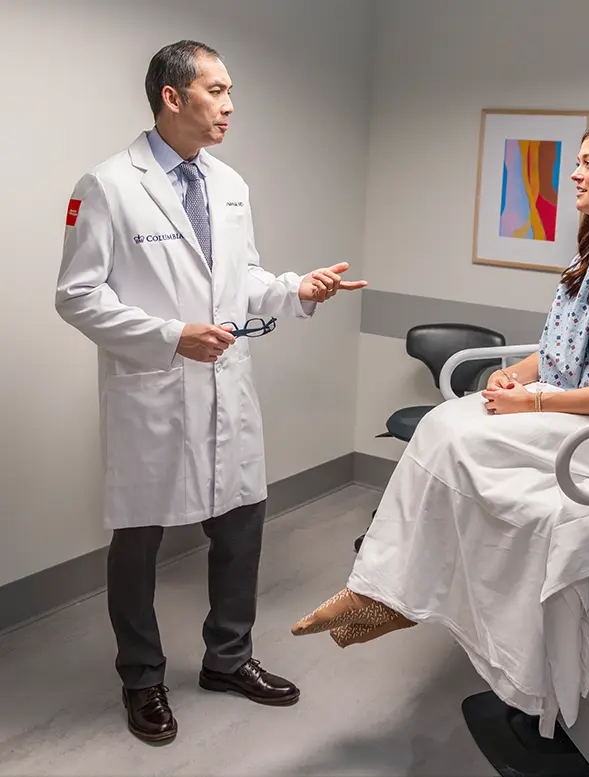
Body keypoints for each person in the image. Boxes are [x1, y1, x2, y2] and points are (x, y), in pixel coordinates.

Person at [290, 121, 589, 728]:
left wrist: (533, 406)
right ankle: (387, 591)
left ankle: (397, 592)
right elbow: (559, 348)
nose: (575, 173)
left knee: (467, 438)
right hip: (576, 405)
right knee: (444, 425)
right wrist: (516, 373)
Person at [54, 40, 366, 744]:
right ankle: (142, 677)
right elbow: (76, 297)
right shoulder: (106, 185)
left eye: (230, 93)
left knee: (241, 527)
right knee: (136, 542)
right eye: (216, 91)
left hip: (227, 386)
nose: (228, 106)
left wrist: (294, 288)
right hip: (154, 395)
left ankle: (228, 658)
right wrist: (170, 335)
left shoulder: (228, 182)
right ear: (173, 97)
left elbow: (243, 279)